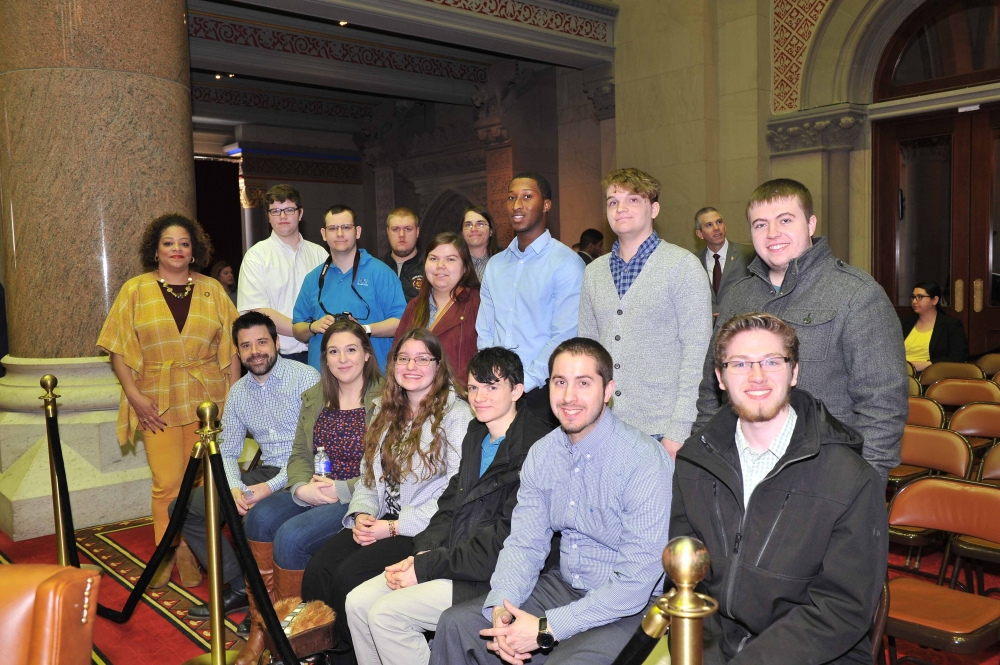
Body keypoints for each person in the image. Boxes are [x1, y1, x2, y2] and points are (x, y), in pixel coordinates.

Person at [432, 338, 674, 665]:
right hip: (565, 585)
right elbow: (525, 543)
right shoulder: (543, 453)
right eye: (560, 382)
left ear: (607, 390)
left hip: (629, 606)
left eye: (583, 383)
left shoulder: (643, 460)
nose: (569, 396)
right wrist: (503, 605)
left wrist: (547, 628)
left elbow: (635, 583)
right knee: (457, 625)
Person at [672, 312, 888, 664]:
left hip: (817, 652)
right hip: (716, 645)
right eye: (740, 363)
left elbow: (842, 608)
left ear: (795, 372)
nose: (757, 376)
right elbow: (688, 578)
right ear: (720, 378)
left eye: (772, 361)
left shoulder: (850, 477)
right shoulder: (695, 462)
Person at [344, 347, 553, 665]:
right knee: (356, 602)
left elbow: (505, 541)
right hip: (456, 561)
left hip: (492, 577)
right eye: (473, 387)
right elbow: (449, 504)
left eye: (492, 387)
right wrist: (422, 554)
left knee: (387, 614)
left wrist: (429, 567)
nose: (480, 397)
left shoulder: (535, 449)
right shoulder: (478, 432)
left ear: (517, 390)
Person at [695, 179, 907, 484]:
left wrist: (861, 489)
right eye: (760, 224)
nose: (772, 234)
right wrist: (704, 463)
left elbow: (882, 405)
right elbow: (710, 392)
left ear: (810, 224)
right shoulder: (738, 298)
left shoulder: (857, 295)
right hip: (739, 473)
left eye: (785, 220)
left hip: (824, 477)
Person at [302, 328, 473, 656]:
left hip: (420, 528)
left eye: (423, 359)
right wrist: (362, 514)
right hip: (379, 518)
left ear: (439, 366)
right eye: (404, 358)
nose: (412, 366)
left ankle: (350, 657)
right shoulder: (386, 408)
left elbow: (455, 494)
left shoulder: (457, 416)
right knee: (318, 570)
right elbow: (368, 477)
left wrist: (393, 527)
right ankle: (325, 653)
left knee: (346, 578)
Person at [97, 213, 239, 587]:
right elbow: (118, 350)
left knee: (199, 487)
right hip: (154, 399)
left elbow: (232, 350)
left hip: (206, 401)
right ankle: (166, 553)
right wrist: (134, 396)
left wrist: (234, 401)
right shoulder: (135, 290)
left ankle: (191, 556)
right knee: (167, 484)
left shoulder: (213, 290)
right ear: (155, 250)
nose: (177, 249)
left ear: (194, 252)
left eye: (184, 243)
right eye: (169, 243)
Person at [236, 319, 384, 665]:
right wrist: (301, 487)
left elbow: (384, 467)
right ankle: (264, 627)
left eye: (350, 350)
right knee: (258, 518)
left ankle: (298, 642)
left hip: (359, 493)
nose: (342, 359)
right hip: (315, 488)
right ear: (325, 358)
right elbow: (300, 453)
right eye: (333, 351)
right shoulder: (317, 395)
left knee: (291, 536)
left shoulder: (385, 397)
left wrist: (339, 490)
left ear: (366, 355)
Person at [169, 312, 319, 621]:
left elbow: (315, 449)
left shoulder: (306, 378)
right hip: (267, 469)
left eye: (262, 342)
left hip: (307, 472)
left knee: (257, 517)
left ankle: (264, 604)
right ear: (238, 352)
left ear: (277, 342)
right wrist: (234, 486)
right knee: (184, 507)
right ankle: (241, 587)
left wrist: (269, 487)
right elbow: (227, 450)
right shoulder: (238, 392)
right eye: (246, 346)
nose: (256, 352)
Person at [579, 168, 712, 458]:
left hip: (661, 428)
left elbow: (697, 353)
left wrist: (679, 430)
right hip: (604, 426)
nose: (621, 208)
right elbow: (586, 352)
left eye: (633, 200)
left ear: (654, 209)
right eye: (613, 201)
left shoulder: (682, 266)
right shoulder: (593, 273)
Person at [477, 172, 585, 426]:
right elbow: (485, 328)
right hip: (497, 389)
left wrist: (523, 381)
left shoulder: (566, 263)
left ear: (546, 205)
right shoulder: (495, 265)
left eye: (527, 197)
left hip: (542, 391)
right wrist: (491, 377)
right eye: (511, 198)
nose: (517, 205)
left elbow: (564, 337)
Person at [292, 204, 406, 373]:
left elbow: (401, 323)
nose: (339, 234)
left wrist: (365, 329)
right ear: (323, 234)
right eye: (333, 228)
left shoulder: (381, 273)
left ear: (357, 231)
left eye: (346, 227)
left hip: (372, 381)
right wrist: (313, 327)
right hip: (324, 382)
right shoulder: (313, 279)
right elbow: (297, 328)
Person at [238, 184, 329, 365]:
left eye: (288, 209)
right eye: (275, 211)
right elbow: (258, 311)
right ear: (268, 217)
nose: (282, 216)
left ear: (300, 213)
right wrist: (305, 330)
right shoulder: (256, 256)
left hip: (320, 353)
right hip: (279, 357)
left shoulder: (320, 254)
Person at [394, 232, 481, 389]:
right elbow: (395, 355)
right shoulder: (414, 306)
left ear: (465, 267)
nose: (440, 266)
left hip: (459, 398)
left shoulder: (478, 303)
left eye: (450, 259)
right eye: (433, 259)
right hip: (414, 397)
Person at [694, 207, 756, 316]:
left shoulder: (748, 254)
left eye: (719, 222)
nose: (716, 228)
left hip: (739, 326)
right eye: (709, 225)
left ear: (725, 227)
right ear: (700, 234)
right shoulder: (694, 261)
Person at [902, 281, 968, 371]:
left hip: (930, 374)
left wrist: (926, 365)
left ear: (935, 300)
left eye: (920, 297)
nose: (914, 301)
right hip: (901, 373)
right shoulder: (904, 323)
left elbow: (957, 357)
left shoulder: (951, 325)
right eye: (913, 297)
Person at [382, 207, 424, 302]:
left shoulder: (431, 267)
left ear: (417, 232)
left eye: (408, 229)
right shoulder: (376, 268)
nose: (401, 235)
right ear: (388, 232)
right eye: (395, 229)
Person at [462, 205, 501, 282]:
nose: (473, 229)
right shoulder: (454, 264)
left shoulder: (505, 262)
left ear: (491, 231)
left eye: (480, 224)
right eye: (468, 225)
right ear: (462, 232)